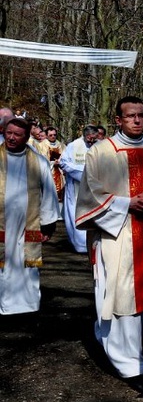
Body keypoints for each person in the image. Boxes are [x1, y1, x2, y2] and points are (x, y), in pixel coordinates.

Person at [75, 96, 143, 390]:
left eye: (141, 116)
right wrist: (126, 204)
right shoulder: (102, 152)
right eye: (130, 116)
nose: (137, 120)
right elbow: (89, 194)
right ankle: (127, 361)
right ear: (118, 120)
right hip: (114, 235)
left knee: (140, 297)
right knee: (117, 294)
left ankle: (126, 350)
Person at [0, 118, 59, 315]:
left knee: (26, 264)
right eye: (9, 133)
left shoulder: (38, 162)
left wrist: (48, 224)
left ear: (26, 137)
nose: (11, 137)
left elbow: (49, 193)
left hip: (28, 222)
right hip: (1, 223)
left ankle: (26, 305)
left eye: (17, 134)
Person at [59, 126, 99, 253]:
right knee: (75, 212)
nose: (92, 141)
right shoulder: (73, 146)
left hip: (95, 186)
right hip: (76, 186)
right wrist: (82, 172)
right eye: (89, 139)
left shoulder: (101, 145)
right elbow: (64, 163)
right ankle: (79, 244)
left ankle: (94, 242)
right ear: (84, 135)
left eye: (94, 138)